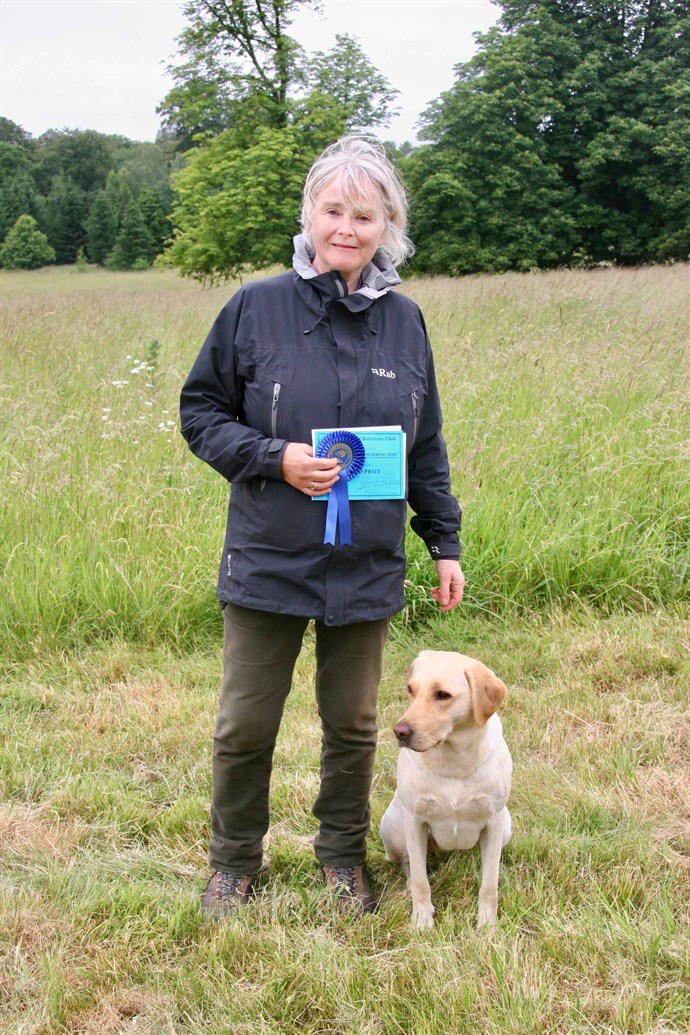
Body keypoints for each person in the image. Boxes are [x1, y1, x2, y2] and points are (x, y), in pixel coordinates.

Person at [180, 135, 465, 918]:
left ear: (387, 226)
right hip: (269, 556)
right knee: (245, 723)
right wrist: (275, 457)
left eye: (364, 214)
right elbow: (199, 411)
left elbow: (425, 443)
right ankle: (234, 861)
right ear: (310, 215)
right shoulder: (254, 306)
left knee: (355, 723)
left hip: (366, 560)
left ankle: (342, 857)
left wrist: (442, 540)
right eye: (333, 209)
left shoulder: (405, 323)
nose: (347, 226)